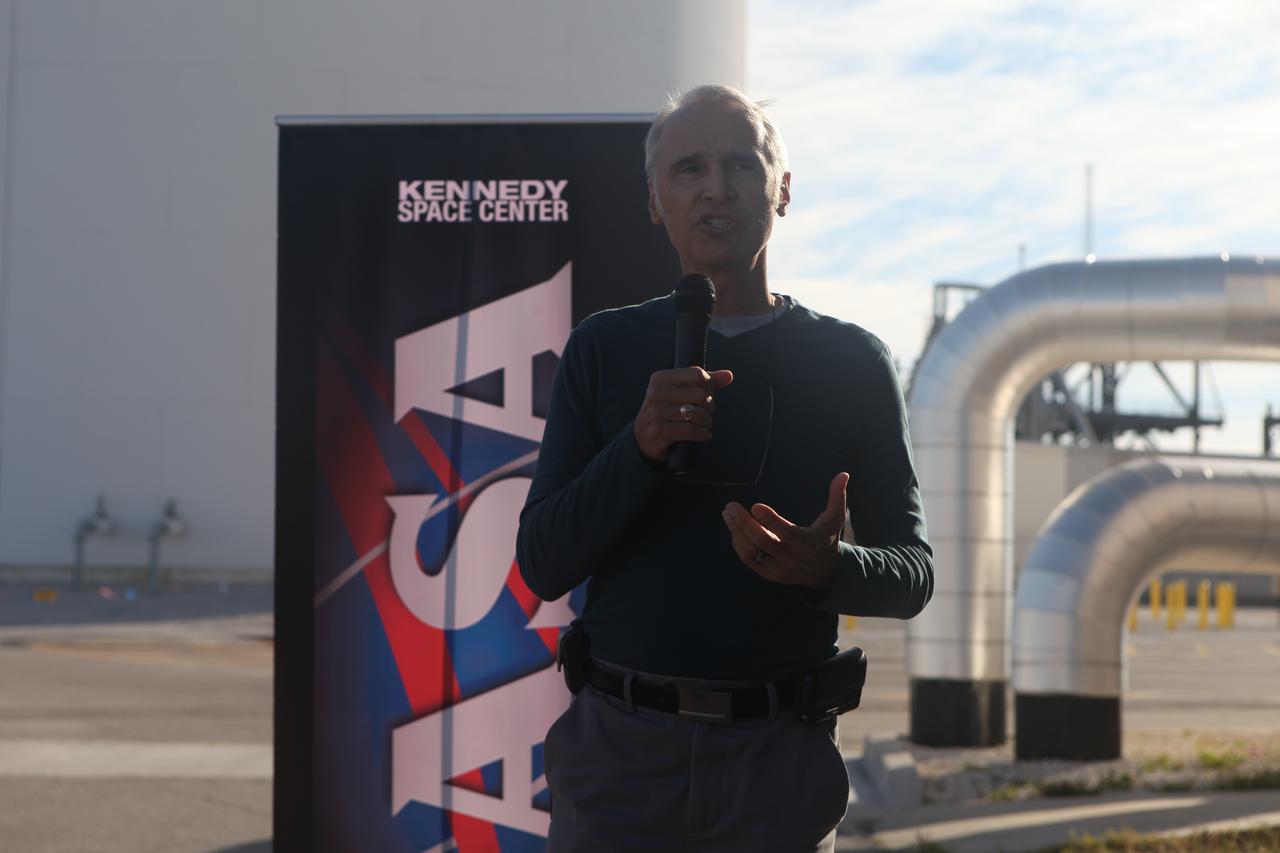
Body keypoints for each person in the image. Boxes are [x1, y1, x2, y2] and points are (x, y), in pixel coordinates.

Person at [516, 84, 934, 852]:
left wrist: (827, 567)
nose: (716, 187)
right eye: (690, 168)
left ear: (783, 188)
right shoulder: (602, 350)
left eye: (741, 164)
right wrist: (638, 446)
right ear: (655, 200)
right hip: (619, 769)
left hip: (778, 771)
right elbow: (542, 560)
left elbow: (913, 573)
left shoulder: (853, 362)